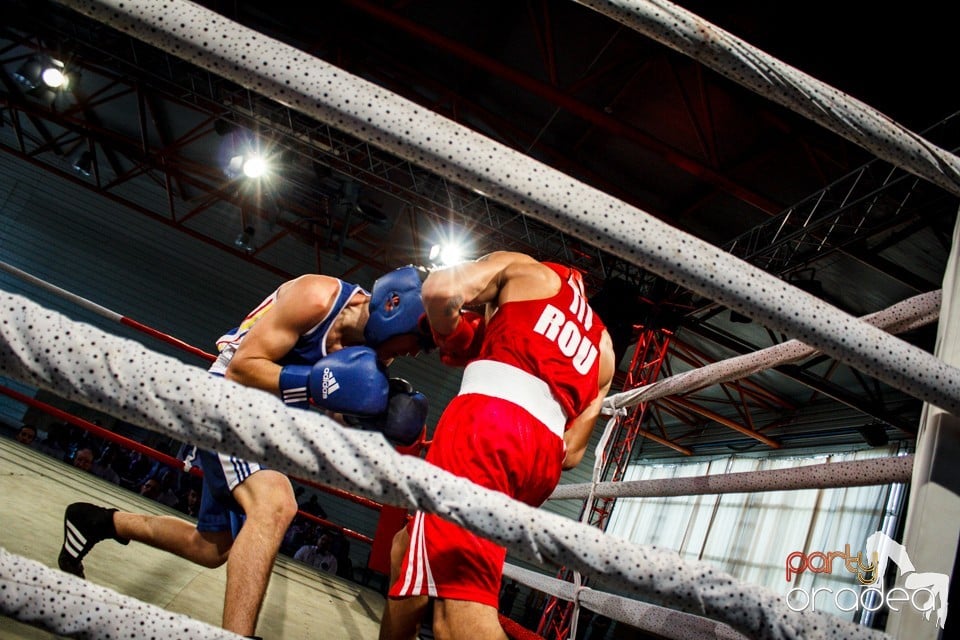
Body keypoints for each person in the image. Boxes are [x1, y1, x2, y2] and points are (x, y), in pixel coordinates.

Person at [58, 266, 432, 638]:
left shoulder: (376, 356)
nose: (415, 352)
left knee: (210, 547)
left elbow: (335, 404)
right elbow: (243, 369)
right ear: (393, 306)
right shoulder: (317, 297)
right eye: (419, 339)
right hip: (229, 397)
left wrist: (374, 421)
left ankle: (94, 521)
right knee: (275, 505)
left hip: (272, 421)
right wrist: (315, 386)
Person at [380, 251, 615, 640]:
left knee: (458, 615)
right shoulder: (604, 348)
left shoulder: (525, 270)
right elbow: (573, 452)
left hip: (487, 432)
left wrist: (450, 337)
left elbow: (440, 291)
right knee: (408, 547)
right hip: (540, 465)